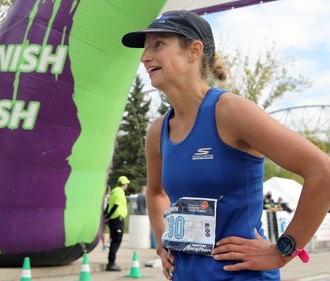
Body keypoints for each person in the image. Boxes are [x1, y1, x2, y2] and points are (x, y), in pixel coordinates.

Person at [121, 10, 330, 281]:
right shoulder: (158, 130)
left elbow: (322, 170)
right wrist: (163, 242)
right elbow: (156, 192)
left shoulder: (230, 111)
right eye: (145, 48)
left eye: (158, 44)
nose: (145, 56)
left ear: (194, 50)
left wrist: (282, 251)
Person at [103, 176, 130, 271]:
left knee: (114, 240)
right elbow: (115, 205)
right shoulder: (119, 192)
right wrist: (109, 215)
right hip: (117, 219)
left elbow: (109, 204)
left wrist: (106, 215)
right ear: (125, 184)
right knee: (116, 241)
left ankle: (111, 262)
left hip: (113, 219)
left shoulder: (114, 191)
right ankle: (111, 263)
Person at [101, 185, 111, 252]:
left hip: (105, 214)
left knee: (103, 231)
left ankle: (105, 244)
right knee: (109, 230)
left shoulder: (104, 197)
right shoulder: (108, 197)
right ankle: (106, 243)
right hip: (107, 214)